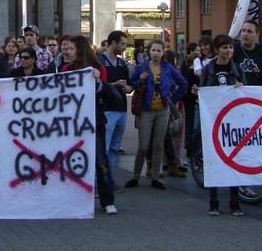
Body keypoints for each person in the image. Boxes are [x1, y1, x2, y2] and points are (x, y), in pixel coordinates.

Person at [60, 35, 117, 214]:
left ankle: (107, 200)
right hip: (71, 123)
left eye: (71, 48)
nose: (67, 51)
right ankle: (73, 198)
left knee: (100, 162)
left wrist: (98, 82)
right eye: (65, 48)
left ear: (80, 50)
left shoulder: (98, 69)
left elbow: (109, 95)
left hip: (94, 122)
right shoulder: (65, 69)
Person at [126, 40, 187, 190]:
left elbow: (183, 83)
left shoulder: (168, 68)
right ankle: (135, 175)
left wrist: (172, 99)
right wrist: (141, 80)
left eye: (159, 51)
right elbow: (132, 83)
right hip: (146, 111)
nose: (156, 53)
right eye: (153, 50)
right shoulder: (142, 67)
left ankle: (155, 176)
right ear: (149, 51)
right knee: (143, 146)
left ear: (163, 53)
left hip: (162, 110)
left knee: (158, 144)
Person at [200, 34, 245, 217]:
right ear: (217, 49)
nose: (229, 51)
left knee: (234, 159)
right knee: (215, 158)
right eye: (225, 47)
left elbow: (245, 92)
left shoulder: (237, 68)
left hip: (233, 119)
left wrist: (240, 87)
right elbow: (203, 91)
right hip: (214, 118)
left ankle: (235, 202)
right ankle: (214, 201)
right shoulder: (208, 68)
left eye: (231, 48)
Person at [98, 31, 132, 184]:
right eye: (123, 44)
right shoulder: (100, 61)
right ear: (113, 43)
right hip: (107, 109)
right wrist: (113, 85)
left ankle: (109, 180)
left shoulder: (122, 63)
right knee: (103, 148)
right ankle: (100, 182)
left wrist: (128, 88)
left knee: (114, 147)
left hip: (122, 109)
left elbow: (130, 84)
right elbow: (98, 85)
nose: (125, 47)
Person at [233, 21, 262, 86]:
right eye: (243, 31)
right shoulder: (233, 50)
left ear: (257, 34)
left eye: (249, 31)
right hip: (238, 93)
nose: (245, 34)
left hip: (256, 93)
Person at [181, 43, 200, 162]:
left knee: (191, 125)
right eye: (197, 49)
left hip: (191, 100)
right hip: (190, 100)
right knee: (191, 125)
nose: (199, 52)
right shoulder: (187, 65)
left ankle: (190, 149)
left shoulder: (192, 63)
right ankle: (189, 150)